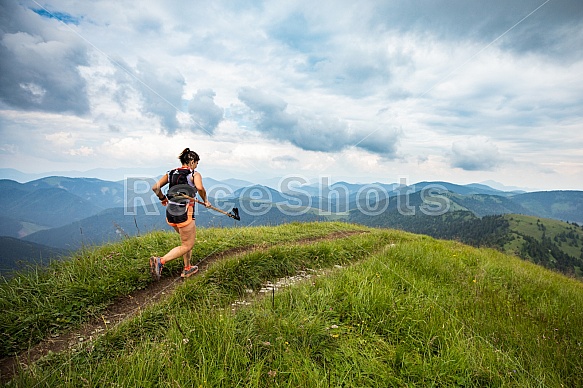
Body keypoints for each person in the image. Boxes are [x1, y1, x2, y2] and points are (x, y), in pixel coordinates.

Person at [150, 148, 211, 280]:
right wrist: (205, 200)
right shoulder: (194, 174)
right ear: (192, 161)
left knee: (185, 241)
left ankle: (187, 268)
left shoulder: (170, 173)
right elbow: (200, 188)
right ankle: (160, 261)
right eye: (196, 163)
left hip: (170, 211)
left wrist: (162, 198)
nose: (196, 166)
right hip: (184, 213)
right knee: (187, 245)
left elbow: (155, 187)